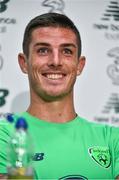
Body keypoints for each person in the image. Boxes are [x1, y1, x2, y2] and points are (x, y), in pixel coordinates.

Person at [0, 12, 119, 180]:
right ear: (24, 62)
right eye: (43, 50)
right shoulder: (4, 136)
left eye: (67, 51)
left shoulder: (112, 139)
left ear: (80, 65)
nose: (56, 61)